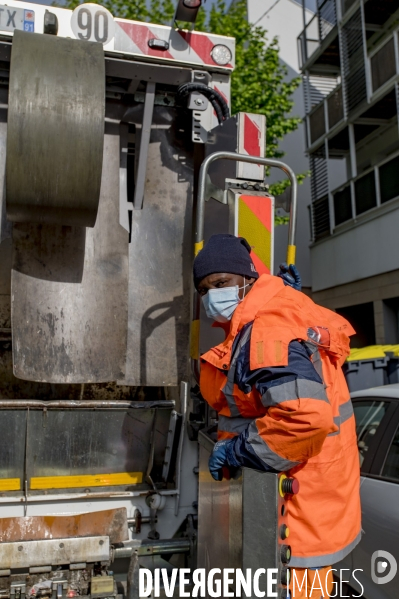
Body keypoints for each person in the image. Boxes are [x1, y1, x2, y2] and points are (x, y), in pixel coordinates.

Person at [193, 234, 361, 599]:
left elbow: (306, 419)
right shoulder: (285, 305)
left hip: (296, 518)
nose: (211, 297)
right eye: (204, 290)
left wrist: (240, 451)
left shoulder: (266, 331)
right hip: (321, 503)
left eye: (220, 284)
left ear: (247, 281)